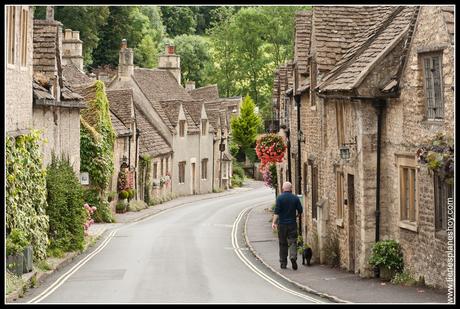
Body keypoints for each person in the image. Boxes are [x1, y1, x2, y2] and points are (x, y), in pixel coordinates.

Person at [272, 181, 303, 270]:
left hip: (282, 225)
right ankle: (293, 257)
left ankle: (283, 263)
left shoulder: (279, 198)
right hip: (292, 224)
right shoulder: (295, 198)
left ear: (283, 188)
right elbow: (300, 210)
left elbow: (277, 212)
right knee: (293, 242)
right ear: (291, 189)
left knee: (283, 243)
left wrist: (274, 222)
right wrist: (296, 215)